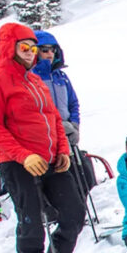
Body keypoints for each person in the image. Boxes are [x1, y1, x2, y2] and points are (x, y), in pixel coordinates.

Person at [0, 23, 86, 253]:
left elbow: (53, 120)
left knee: (74, 212)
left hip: (51, 159)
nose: (30, 53)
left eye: (33, 48)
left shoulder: (37, 81)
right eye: (24, 47)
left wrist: (62, 150)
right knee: (31, 221)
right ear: (9, 48)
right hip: (17, 162)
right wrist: (24, 156)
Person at [31, 30, 95, 194]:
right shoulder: (30, 78)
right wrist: (59, 125)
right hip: (46, 138)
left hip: (68, 134)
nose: (50, 54)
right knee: (59, 181)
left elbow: (73, 103)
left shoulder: (61, 77)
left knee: (82, 176)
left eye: (53, 50)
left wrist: (75, 125)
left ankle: (81, 209)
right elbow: (35, 110)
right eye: (44, 50)